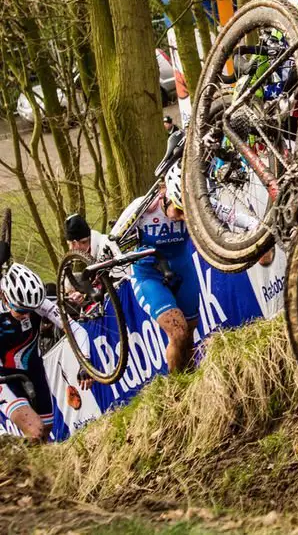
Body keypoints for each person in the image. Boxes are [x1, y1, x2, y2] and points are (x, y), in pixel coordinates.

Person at [109, 162, 199, 373]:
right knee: (177, 332)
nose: (180, 215)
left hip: (182, 269)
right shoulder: (144, 206)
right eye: (176, 208)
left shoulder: (193, 200)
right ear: (164, 194)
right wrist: (123, 258)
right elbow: (112, 241)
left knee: (189, 335)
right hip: (149, 274)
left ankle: (192, 383)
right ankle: (177, 390)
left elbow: (225, 215)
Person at [1, 263, 93, 442]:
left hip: (34, 368)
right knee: (35, 430)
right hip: (3, 376)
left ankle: (34, 468)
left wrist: (85, 361)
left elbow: (75, 330)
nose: (27, 315)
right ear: (5, 298)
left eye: (31, 310)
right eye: (21, 310)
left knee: (45, 431)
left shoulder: (36, 302)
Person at [64, 213, 126, 284]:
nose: (70, 248)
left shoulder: (104, 246)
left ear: (75, 243)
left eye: (69, 244)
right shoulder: (93, 250)